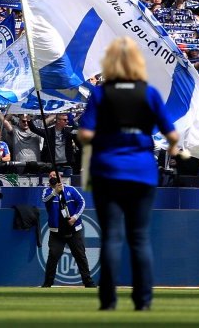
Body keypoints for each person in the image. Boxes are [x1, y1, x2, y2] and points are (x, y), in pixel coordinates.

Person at [77, 37, 179, 311]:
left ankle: (108, 301)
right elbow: (171, 135)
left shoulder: (100, 94)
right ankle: (142, 302)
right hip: (142, 171)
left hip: (108, 170)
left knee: (111, 236)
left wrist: (104, 138)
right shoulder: (148, 93)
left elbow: (85, 133)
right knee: (139, 237)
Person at [40, 170, 94, 288]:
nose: (52, 177)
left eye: (54, 175)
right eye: (50, 176)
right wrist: (55, 192)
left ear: (60, 177)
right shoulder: (47, 191)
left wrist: (74, 217)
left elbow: (82, 202)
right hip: (56, 232)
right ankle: (47, 283)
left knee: (80, 256)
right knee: (53, 256)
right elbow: (45, 200)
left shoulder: (71, 190)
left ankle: (89, 283)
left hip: (73, 229)